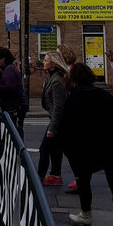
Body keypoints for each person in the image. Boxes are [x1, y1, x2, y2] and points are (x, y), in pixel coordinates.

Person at [63, 63, 113, 226]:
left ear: (75, 80)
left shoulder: (74, 99)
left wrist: (71, 151)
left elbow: (67, 129)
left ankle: (86, 215)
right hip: (111, 149)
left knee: (84, 182)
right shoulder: (105, 95)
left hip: (86, 151)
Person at [37, 50, 69, 186]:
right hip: (57, 120)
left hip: (59, 121)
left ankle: (39, 177)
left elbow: (58, 107)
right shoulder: (51, 76)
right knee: (56, 149)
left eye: (45, 60)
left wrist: (52, 127)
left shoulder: (57, 81)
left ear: (54, 64)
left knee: (44, 148)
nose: (43, 62)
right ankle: (56, 175)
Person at [0, 47, 26, 133]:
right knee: (1, 131)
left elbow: (10, 87)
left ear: (3, 58)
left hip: (14, 107)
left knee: (11, 133)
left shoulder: (9, 69)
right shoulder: (5, 69)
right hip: (9, 107)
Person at [56, 44, 79, 193]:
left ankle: (79, 180)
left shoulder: (71, 71)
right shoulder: (63, 71)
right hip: (68, 115)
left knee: (73, 150)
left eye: (58, 53)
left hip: (73, 116)